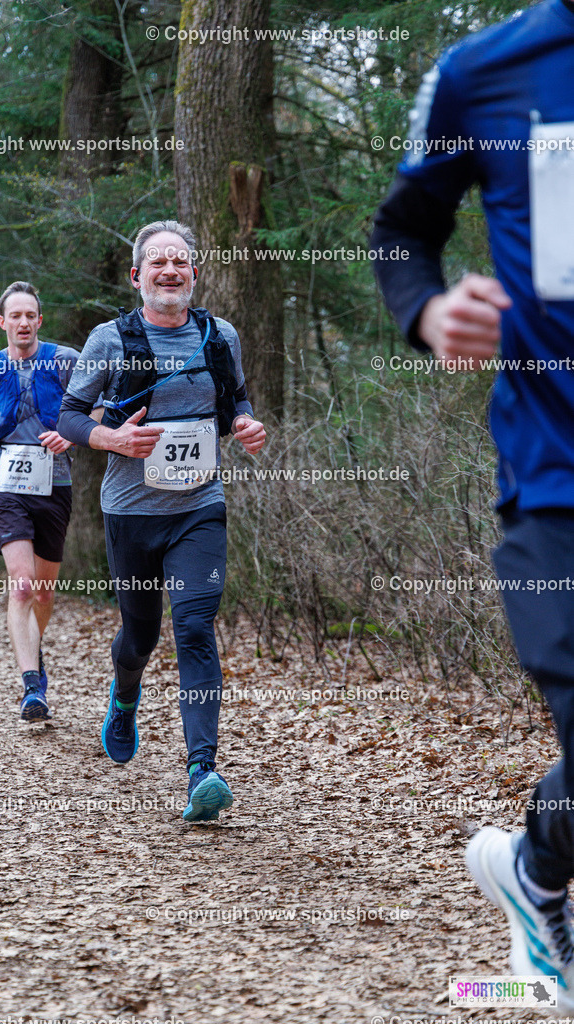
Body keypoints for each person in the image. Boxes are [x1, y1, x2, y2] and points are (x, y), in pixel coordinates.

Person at [371, 0, 574, 1007]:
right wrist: (427, 308)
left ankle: (531, 868)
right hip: (553, 475)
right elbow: (400, 231)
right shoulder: (484, 71)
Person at [58, 219, 266, 823]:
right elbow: (70, 416)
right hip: (131, 512)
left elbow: (236, 400)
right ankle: (125, 697)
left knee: (195, 627)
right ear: (137, 276)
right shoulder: (109, 339)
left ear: (194, 274)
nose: (170, 270)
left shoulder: (219, 335)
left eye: (180, 262)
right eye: (158, 262)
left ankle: (202, 770)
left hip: (199, 508)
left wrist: (244, 424)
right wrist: (113, 439)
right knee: (141, 636)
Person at [0, 282, 94, 722]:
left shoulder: (67, 360)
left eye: (30, 315)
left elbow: (100, 406)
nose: (23, 322)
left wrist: (73, 434)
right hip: (5, 482)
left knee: (45, 591)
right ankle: (32, 685)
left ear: (39, 320)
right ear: (3, 322)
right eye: (15, 316)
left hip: (55, 482)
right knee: (22, 584)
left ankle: (34, 650)